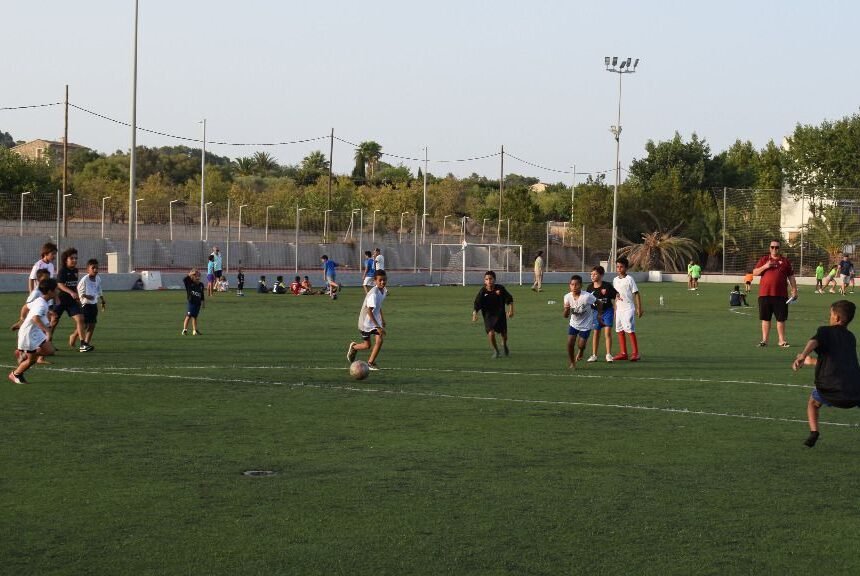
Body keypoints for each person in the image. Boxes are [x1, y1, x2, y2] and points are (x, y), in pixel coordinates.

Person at [792, 300, 860, 447]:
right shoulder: (851, 338)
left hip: (830, 390)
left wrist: (803, 355)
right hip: (855, 391)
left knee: (813, 403)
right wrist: (812, 361)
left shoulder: (825, 331)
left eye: (830, 314)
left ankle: (814, 432)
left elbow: (814, 341)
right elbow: (837, 362)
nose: (829, 317)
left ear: (836, 318)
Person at [10, 278, 58, 384]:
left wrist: (21, 320)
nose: (57, 292)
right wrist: (47, 331)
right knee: (32, 360)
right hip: (28, 334)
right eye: (56, 290)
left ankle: (23, 353)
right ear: (50, 291)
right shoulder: (41, 304)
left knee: (50, 351)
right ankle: (16, 374)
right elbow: (35, 318)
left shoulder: (40, 300)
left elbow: (25, 307)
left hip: (34, 332)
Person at [753, 240, 798, 347]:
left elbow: (791, 277)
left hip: (781, 295)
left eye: (776, 247)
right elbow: (754, 272)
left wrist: (794, 289)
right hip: (765, 294)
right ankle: (764, 340)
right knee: (765, 318)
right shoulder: (764, 259)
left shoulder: (785, 261)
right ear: (769, 248)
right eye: (772, 247)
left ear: (780, 248)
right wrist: (765, 266)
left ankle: (781, 341)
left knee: (781, 319)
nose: (774, 249)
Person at [346, 270, 388, 371]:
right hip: (365, 322)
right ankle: (354, 347)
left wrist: (382, 318)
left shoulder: (384, 291)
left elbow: (379, 305)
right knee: (367, 345)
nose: (382, 282)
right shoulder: (373, 294)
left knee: (380, 339)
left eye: (384, 280)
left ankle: (370, 362)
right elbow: (369, 311)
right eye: (380, 280)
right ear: (375, 281)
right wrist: (378, 327)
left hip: (375, 320)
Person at [11, 269, 54, 365]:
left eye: (48, 278)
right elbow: (27, 306)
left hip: (43, 320)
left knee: (47, 343)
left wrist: (50, 312)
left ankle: (35, 356)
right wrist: (22, 320)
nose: (46, 281)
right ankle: (28, 355)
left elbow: (44, 306)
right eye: (44, 279)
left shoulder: (49, 291)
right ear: (38, 280)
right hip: (35, 323)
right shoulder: (36, 293)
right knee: (45, 339)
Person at [472, 270, 515, 358]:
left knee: (504, 336)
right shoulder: (483, 291)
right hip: (488, 316)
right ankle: (496, 350)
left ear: (494, 280)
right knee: (491, 333)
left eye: (490, 279)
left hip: (500, 315)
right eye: (486, 279)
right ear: (484, 281)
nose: (489, 281)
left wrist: (511, 311)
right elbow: (477, 304)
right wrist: (474, 314)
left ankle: (504, 344)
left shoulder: (500, 288)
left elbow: (509, 299)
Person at [54, 247, 88, 351]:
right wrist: (71, 292)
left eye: (76, 258)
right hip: (60, 300)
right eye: (72, 258)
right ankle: (47, 342)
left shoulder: (76, 271)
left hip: (71, 301)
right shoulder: (62, 271)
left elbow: (74, 285)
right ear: (66, 260)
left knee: (81, 319)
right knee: (53, 321)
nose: (74, 260)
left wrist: (77, 296)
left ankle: (82, 344)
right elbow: (60, 285)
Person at [612, 257, 643, 361]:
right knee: (619, 330)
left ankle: (635, 353)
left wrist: (639, 308)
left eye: (621, 267)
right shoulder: (615, 280)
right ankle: (623, 353)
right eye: (617, 267)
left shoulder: (629, 279)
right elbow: (616, 296)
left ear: (626, 268)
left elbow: (636, 293)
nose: (619, 269)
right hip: (619, 310)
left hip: (628, 308)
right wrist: (615, 309)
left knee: (629, 329)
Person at [563, 275, 597, 369]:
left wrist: (599, 314)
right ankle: (572, 362)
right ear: (569, 285)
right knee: (570, 343)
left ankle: (581, 350)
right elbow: (565, 316)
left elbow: (599, 302)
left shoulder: (587, 296)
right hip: (574, 324)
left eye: (577, 285)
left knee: (581, 345)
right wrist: (566, 309)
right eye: (572, 284)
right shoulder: (567, 297)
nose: (574, 287)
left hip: (586, 324)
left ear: (581, 285)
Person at [585, 265, 617, 363]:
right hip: (595, 313)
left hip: (607, 311)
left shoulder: (607, 286)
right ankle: (594, 355)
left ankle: (608, 354)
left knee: (607, 333)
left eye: (595, 274)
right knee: (596, 333)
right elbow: (587, 301)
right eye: (591, 274)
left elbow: (615, 296)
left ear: (601, 275)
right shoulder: (589, 288)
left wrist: (615, 309)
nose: (592, 276)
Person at [77, 258, 106, 351]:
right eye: (93, 268)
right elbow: (79, 292)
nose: (95, 270)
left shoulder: (98, 278)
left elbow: (99, 290)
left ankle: (86, 344)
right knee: (85, 325)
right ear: (88, 269)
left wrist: (102, 300)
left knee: (92, 324)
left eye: (97, 268)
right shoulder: (84, 280)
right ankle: (74, 336)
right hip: (85, 305)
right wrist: (86, 296)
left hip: (94, 305)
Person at [182, 269, 205, 335]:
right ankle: (184, 330)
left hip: (198, 304)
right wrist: (191, 273)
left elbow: (202, 294)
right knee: (188, 316)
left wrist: (203, 302)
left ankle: (194, 330)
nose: (198, 279)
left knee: (195, 317)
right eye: (196, 277)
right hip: (191, 302)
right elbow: (184, 279)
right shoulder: (189, 284)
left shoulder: (201, 285)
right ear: (193, 277)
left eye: (199, 278)